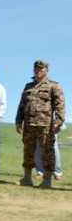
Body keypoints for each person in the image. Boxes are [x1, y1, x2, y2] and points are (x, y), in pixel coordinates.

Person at [16, 60, 66, 189]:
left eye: (41, 69)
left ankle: (47, 180)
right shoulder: (28, 86)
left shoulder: (53, 86)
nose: (38, 71)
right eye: (36, 69)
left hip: (45, 126)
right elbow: (22, 105)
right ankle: (27, 178)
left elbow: (60, 105)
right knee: (28, 152)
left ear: (46, 71)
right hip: (29, 125)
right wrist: (18, 121)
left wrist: (58, 122)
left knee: (47, 153)